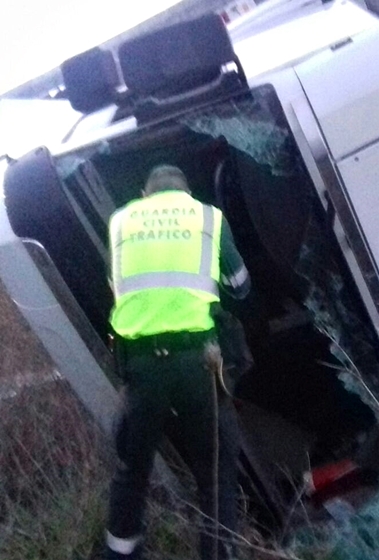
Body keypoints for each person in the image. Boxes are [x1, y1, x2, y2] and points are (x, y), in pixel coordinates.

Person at [103, 165, 251, 560]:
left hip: (142, 369)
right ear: (186, 192)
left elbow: (114, 284)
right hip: (200, 364)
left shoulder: (121, 221)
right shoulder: (207, 217)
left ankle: (120, 553)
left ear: (144, 194)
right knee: (215, 475)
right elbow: (240, 284)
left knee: (132, 469)